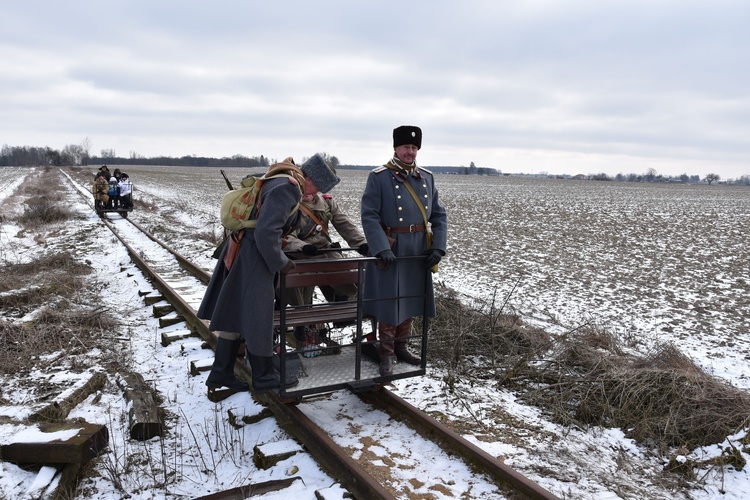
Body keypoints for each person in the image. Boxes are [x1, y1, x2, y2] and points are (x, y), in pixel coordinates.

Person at [197, 156, 340, 396]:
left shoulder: (280, 179)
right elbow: (266, 233)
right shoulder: (288, 188)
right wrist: (280, 262)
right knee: (258, 316)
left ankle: (221, 372)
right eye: (318, 187)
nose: (316, 193)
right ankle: (263, 377)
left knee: (237, 312)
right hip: (255, 255)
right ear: (311, 178)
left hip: (246, 251)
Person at [360, 125, 447, 376]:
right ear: (395, 148)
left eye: (414, 147)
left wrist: (438, 247)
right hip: (392, 249)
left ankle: (401, 348)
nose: (410, 152)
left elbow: (440, 215)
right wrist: (380, 247)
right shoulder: (379, 177)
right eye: (405, 147)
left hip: (418, 249)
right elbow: (369, 216)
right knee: (389, 302)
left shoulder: (427, 177)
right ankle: (385, 353)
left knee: (409, 300)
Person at [282, 153, 369, 353]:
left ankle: (340, 310)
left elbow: (345, 225)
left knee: (346, 274)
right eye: (316, 186)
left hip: (322, 257)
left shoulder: (327, 203)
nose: (315, 193)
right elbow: (282, 236)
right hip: (297, 258)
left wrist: (362, 244)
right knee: (299, 286)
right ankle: (300, 322)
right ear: (305, 179)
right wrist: (302, 247)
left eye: (320, 189)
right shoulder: (288, 201)